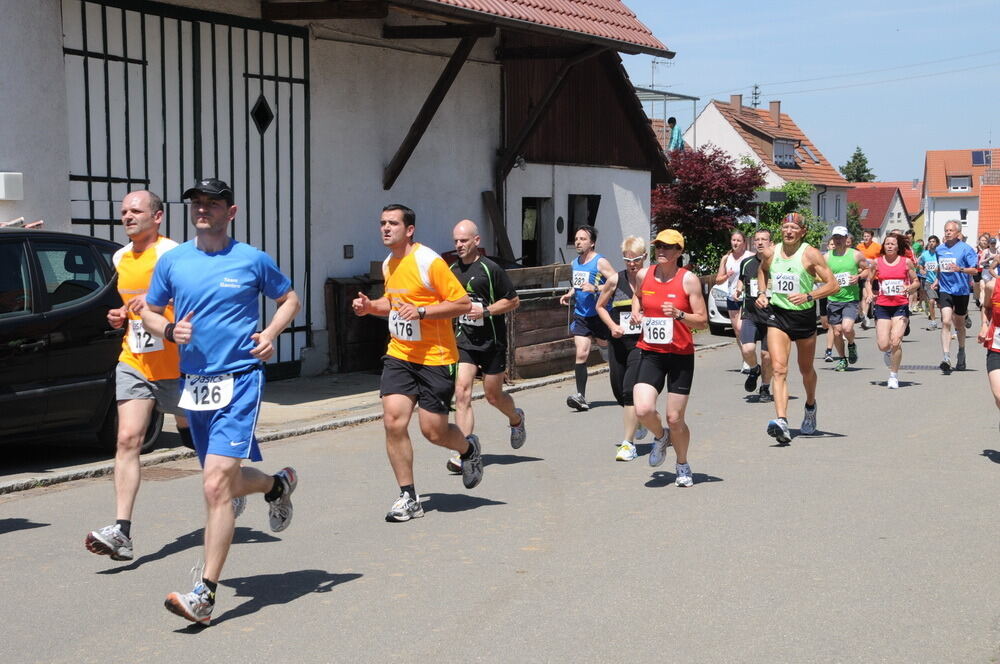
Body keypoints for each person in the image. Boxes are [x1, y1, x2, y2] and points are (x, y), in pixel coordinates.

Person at [141, 178, 301, 626]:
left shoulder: (251, 259)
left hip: (241, 381)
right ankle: (275, 485)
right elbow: (150, 311)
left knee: (214, 487)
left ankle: (205, 594)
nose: (202, 209)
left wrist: (269, 334)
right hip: (196, 385)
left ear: (231, 212)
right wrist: (170, 331)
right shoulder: (173, 261)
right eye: (196, 202)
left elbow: (290, 299)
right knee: (223, 481)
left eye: (212, 203)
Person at [85, 190, 197, 563]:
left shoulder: (173, 254)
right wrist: (121, 314)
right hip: (135, 359)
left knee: (197, 439)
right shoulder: (120, 256)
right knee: (128, 438)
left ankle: (243, 480)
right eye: (124, 212)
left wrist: (153, 300)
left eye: (136, 211)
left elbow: (193, 301)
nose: (128, 217)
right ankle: (122, 530)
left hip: (178, 363)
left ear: (158, 216)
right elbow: (131, 304)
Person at [352, 204, 480, 524]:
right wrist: (371, 306)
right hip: (400, 355)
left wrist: (423, 312)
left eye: (392, 223)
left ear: (409, 230)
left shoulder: (428, 261)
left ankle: (467, 449)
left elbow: (463, 303)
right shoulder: (389, 263)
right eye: (382, 223)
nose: (385, 228)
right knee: (393, 422)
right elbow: (393, 304)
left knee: (433, 432)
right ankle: (408, 497)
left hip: (436, 357)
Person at [625, 229, 707, 486]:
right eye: (659, 245)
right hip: (651, 352)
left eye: (669, 247)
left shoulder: (688, 280)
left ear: (679, 252)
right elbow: (637, 299)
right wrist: (636, 313)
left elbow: (703, 321)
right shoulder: (643, 274)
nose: (662, 250)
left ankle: (682, 464)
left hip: (681, 354)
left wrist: (680, 315)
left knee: (675, 418)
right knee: (643, 409)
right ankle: (661, 437)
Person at [445, 220, 525, 474]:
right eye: (456, 241)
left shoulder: (490, 269)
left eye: (464, 240)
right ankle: (464, 451)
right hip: (465, 341)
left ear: (476, 241)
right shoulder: (452, 270)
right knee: (462, 393)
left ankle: (516, 418)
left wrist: (487, 310)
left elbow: (513, 301)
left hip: (492, 341)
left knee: (493, 396)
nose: (459, 245)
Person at [755, 213, 838, 443]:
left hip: (803, 318)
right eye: (785, 227)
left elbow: (833, 284)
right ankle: (782, 421)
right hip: (778, 315)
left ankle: (810, 405)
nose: (788, 231)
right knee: (779, 369)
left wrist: (809, 294)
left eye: (793, 228)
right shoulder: (771, 253)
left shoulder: (810, 253)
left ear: (802, 232)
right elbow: (761, 270)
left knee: (805, 369)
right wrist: (762, 293)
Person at [596, 235, 649, 461]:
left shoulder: (651, 281)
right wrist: (612, 326)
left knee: (629, 391)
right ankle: (638, 421)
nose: (631, 264)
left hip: (641, 343)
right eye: (627, 259)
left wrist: (645, 318)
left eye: (636, 259)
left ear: (645, 257)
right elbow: (600, 306)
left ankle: (628, 444)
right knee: (619, 391)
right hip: (618, 342)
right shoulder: (615, 280)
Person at [560, 225, 616, 411]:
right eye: (576, 239)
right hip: (581, 315)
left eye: (583, 239)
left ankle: (621, 378)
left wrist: (596, 288)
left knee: (606, 351)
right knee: (581, 353)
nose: (578, 242)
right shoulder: (575, 263)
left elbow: (615, 282)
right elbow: (578, 285)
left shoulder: (600, 262)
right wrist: (570, 293)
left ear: (592, 243)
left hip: (600, 314)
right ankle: (581, 397)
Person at [865, 232, 919, 389]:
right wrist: (869, 293)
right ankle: (888, 352)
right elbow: (868, 281)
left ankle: (893, 375)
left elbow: (916, 281)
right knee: (883, 345)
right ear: (884, 246)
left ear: (897, 247)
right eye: (887, 243)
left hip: (900, 306)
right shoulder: (877, 263)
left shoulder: (906, 262)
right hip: (882, 306)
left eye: (892, 244)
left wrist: (910, 287)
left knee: (896, 340)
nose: (889, 246)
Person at [733, 228, 773, 400]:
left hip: (772, 316)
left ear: (771, 243)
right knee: (748, 348)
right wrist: (738, 290)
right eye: (757, 239)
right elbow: (742, 279)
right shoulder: (747, 262)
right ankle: (754, 369)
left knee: (767, 355)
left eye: (764, 239)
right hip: (750, 313)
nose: (760, 242)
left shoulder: (776, 263)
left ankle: (765, 387)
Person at [935, 220, 979, 373]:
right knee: (946, 321)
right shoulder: (939, 249)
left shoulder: (966, 249)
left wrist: (960, 269)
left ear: (958, 233)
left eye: (950, 230)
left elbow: (975, 270)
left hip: (961, 291)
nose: (947, 232)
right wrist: (937, 280)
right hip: (945, 290)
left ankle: (961, 351)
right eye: (946, 230)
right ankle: (946, 356)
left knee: (959, 325)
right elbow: (940, 268)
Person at [825, 226, 869, 372]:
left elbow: (867, 269)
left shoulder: (855, 255)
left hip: (850, 299)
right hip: (833, 299)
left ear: (846, 239)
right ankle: (842, 359)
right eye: (835, 237)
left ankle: (851, 344)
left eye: (841, 237)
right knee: (837, 332)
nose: (838, 240)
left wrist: (858, 277)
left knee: (847, 328)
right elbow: (819, 273)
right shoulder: (826, 257)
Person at [715, 229, 754, 371]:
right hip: (731, 297)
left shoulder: (750, 257)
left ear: (744, 243)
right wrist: (727, 276)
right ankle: (746, 358)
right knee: (737, 332)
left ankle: (749, 356)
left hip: (746, 297)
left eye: (738, 240)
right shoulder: (726, 258)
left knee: (740, 327)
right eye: (733, 240)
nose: (735, 243)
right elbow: (718, 280)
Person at [976, 274, 1000, 429]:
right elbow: (987, 308)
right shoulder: (993, 286)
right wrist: (984, 325)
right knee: (999, 395)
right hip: (997, 348)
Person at [856, 230, 882, 328]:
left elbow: (881, 260)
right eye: (864, 236)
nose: (866, 238)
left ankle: (877, 312)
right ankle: (865, 316)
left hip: (875, 275)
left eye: (868, 236)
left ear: (872, 237)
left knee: (875, 296)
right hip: (864, 275)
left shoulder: (877, 247)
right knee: (865, 295)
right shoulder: (859, 247)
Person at [919, 235, 941, 328]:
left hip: (941, 281)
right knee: (931, 301)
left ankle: (945, 319)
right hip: (929, 281)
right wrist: (922, 271)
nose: (931, 243)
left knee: (940, 304)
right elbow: (920, 265)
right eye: (930, 241)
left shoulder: (940, 254)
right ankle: (933, 321)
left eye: (933, 241)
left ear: (937, 243)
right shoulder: (924, 254)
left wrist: (939, 268)